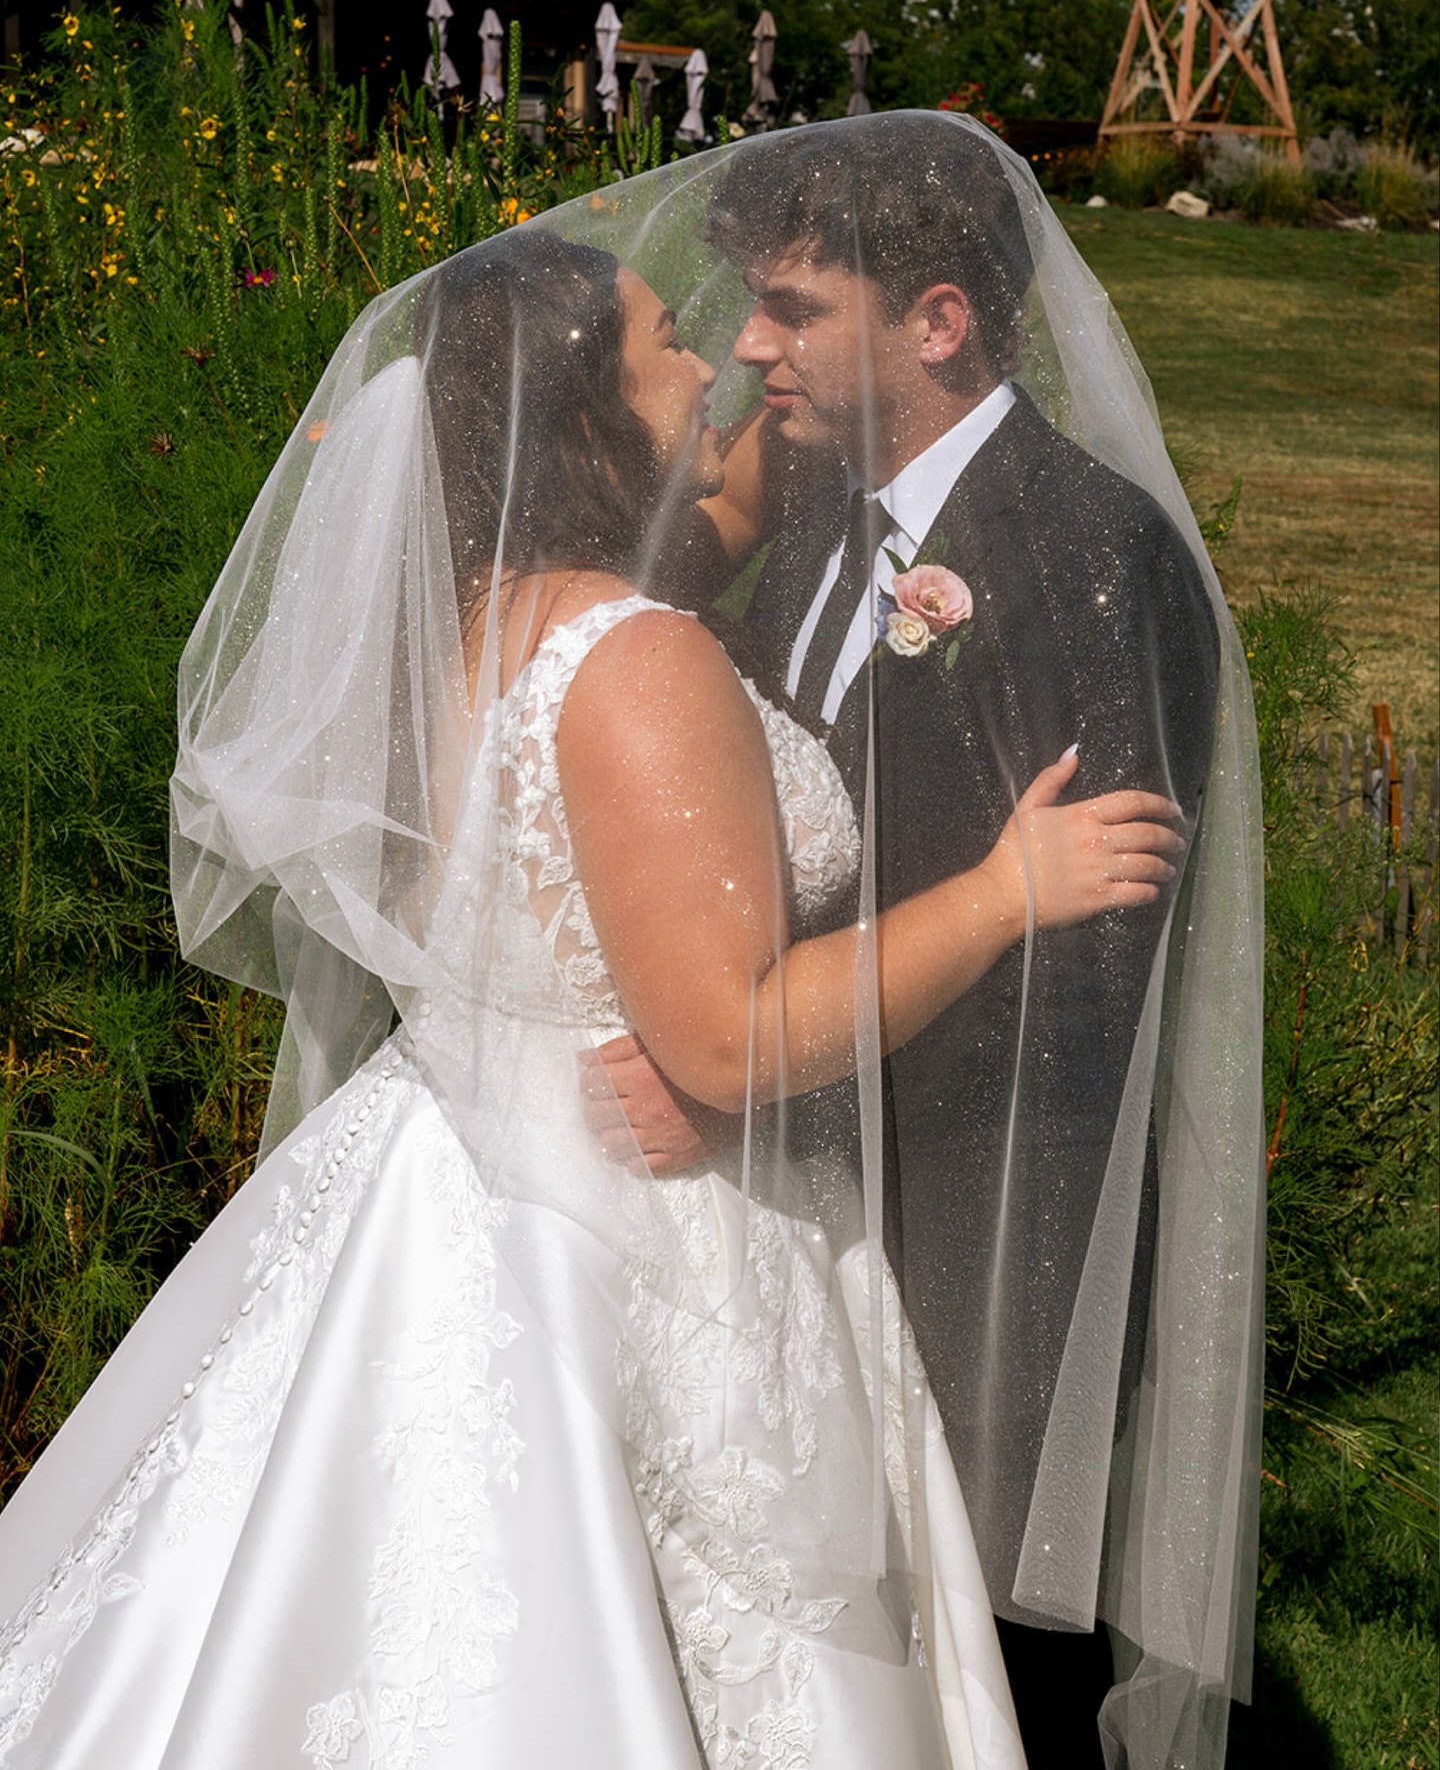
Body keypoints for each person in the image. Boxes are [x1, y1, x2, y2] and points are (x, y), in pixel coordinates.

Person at [0, 218, 1191, 1764]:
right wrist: (999, 893)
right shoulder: (635, 658)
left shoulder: (462, 615)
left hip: (448, 1175)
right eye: (666, 347)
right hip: (620, 1230)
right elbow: (726, 1034)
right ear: (587, 418)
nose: (716, 361)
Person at [584, 115, 1265, 1770]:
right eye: (745, 303)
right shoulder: (819, 508)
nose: (750, 344)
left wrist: (756, 1094)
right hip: (816, 1219)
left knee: (982, 1689)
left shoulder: (1098, 561)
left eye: (795, 308)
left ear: (940, 322)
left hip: (988, 1253)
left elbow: (1082, 994)